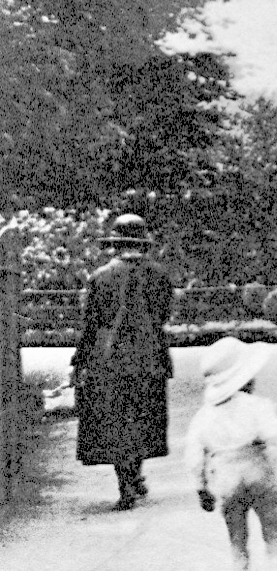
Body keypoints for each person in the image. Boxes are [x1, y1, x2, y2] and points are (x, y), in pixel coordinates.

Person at [70, 213, 174, 510]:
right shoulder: (160, 276)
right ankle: (136, 473)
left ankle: (125, 483)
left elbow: (90, 325)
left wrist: (79, 359)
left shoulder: (100, 277)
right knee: (142, 416)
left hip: (109, 359)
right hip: (150, 356)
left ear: (114, 244)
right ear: (143, 244)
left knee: (116, 419)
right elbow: (164, 317)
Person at [186, 336, 277, 571]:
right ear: (247, 379)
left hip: (226, 475)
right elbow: (275, 432)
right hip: (258, 468)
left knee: (237, 538)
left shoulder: (203, 416)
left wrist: (201, 488)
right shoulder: (256, 405)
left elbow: (194, 456)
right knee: (272, 528)